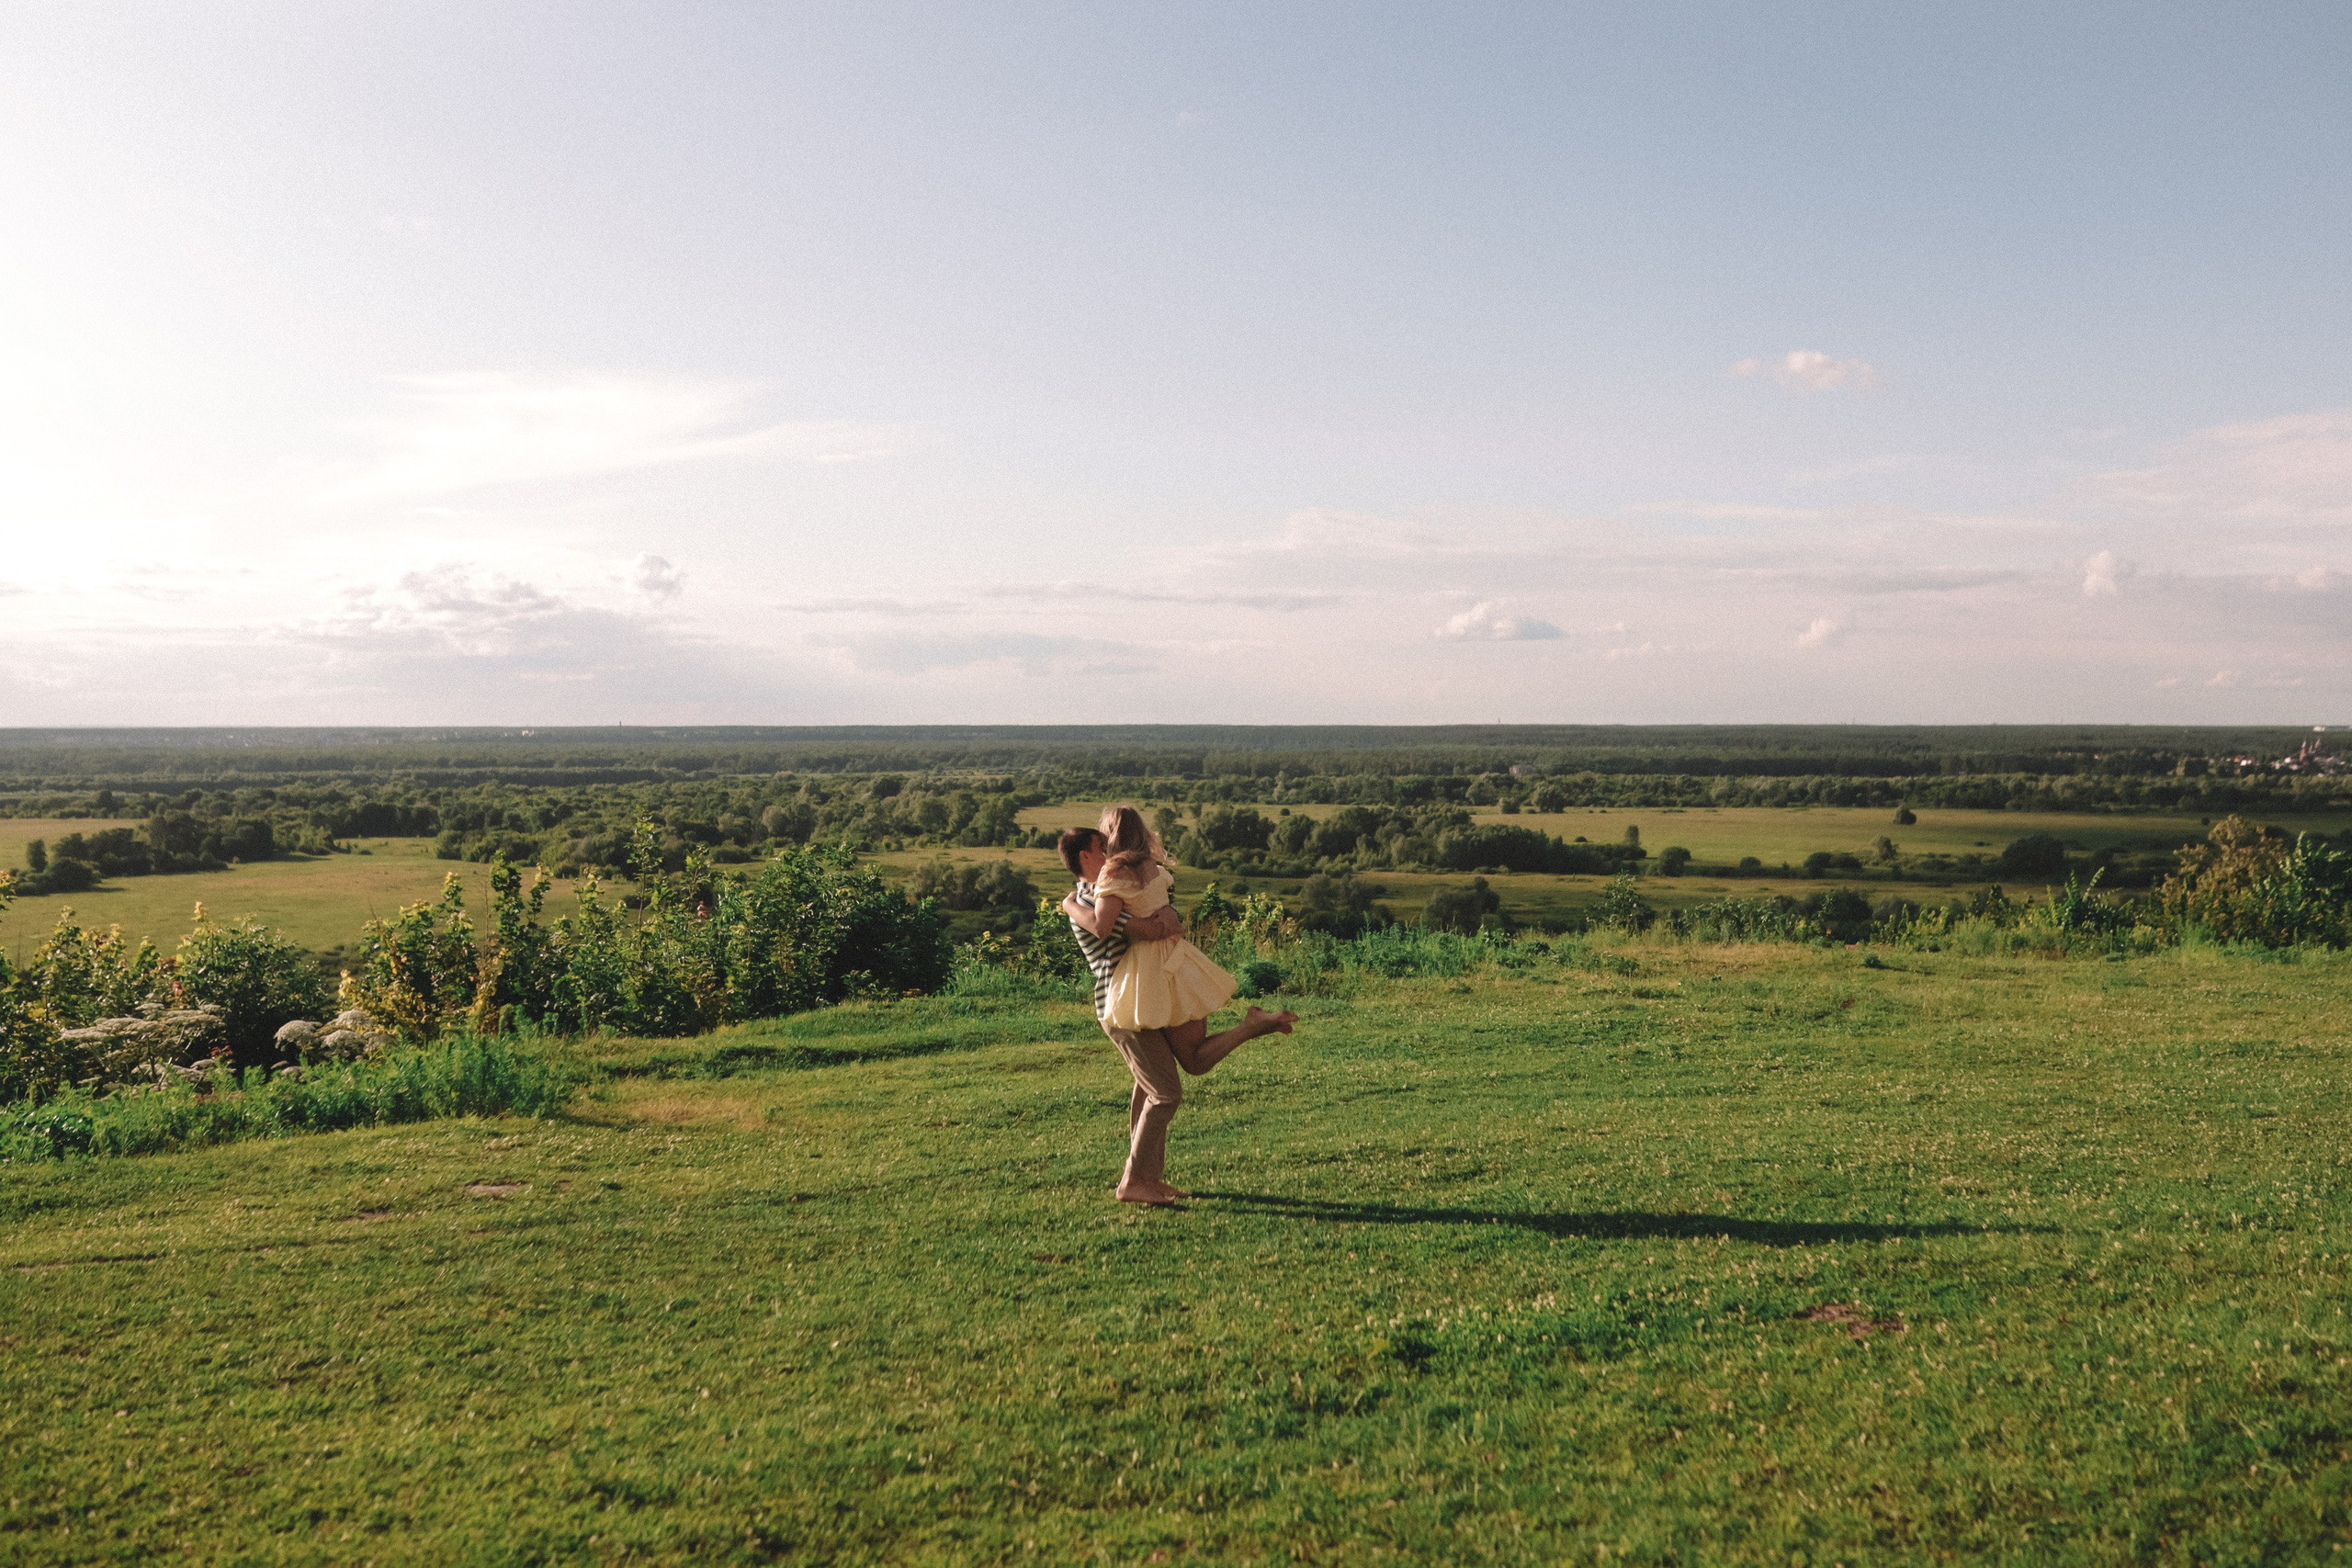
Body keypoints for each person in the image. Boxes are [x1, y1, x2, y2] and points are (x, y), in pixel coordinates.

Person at [1059, 807, 1296, 1204]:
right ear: (1086, 856)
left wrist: (1161, 914)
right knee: (1164, 1093)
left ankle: (1147, 1180)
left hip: (1149, 992)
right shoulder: (1089, 896)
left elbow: (1166, 921)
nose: (1108, 850)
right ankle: (1134, 1181)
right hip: (1122, 1005)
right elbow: (1139, 926)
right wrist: (1070, 904)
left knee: (1161, 1081)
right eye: (1101, 846)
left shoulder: (1115, 885)